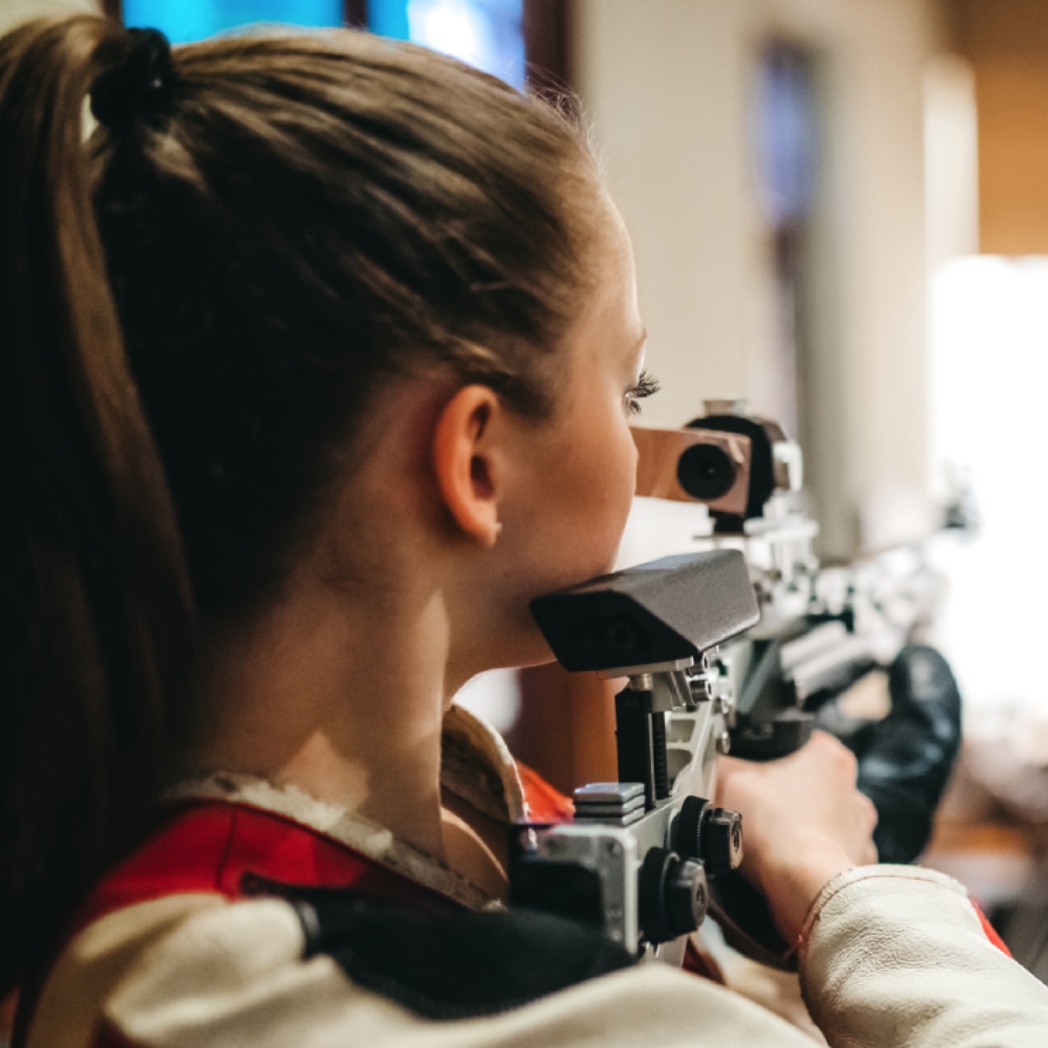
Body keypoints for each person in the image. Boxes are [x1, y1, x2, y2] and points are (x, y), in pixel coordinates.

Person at [0, 13, 1045, 1048]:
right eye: (630, 387)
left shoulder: (458, 824)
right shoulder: (260, 993)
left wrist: (746, 915)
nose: (645, 444)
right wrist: (847, 895)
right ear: (477, 462)